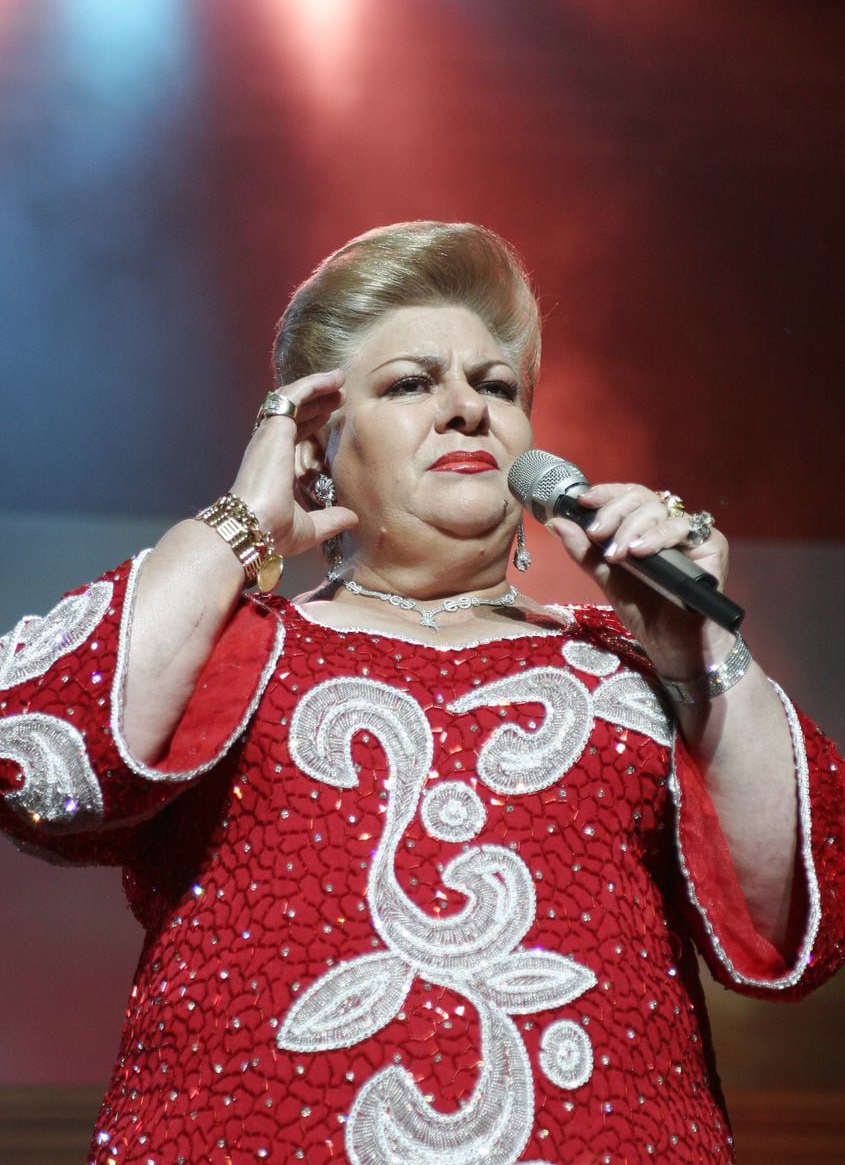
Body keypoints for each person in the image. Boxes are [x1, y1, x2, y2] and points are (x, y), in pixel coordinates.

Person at [0, 221, 842, 1165]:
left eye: (497, 387)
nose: (467, 411)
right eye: (410, 384)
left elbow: (792, 922)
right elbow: (38, 755)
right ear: (315, 444)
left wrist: (696, 650)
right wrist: (244, 523)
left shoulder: (631, 663)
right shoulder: (234, 642)